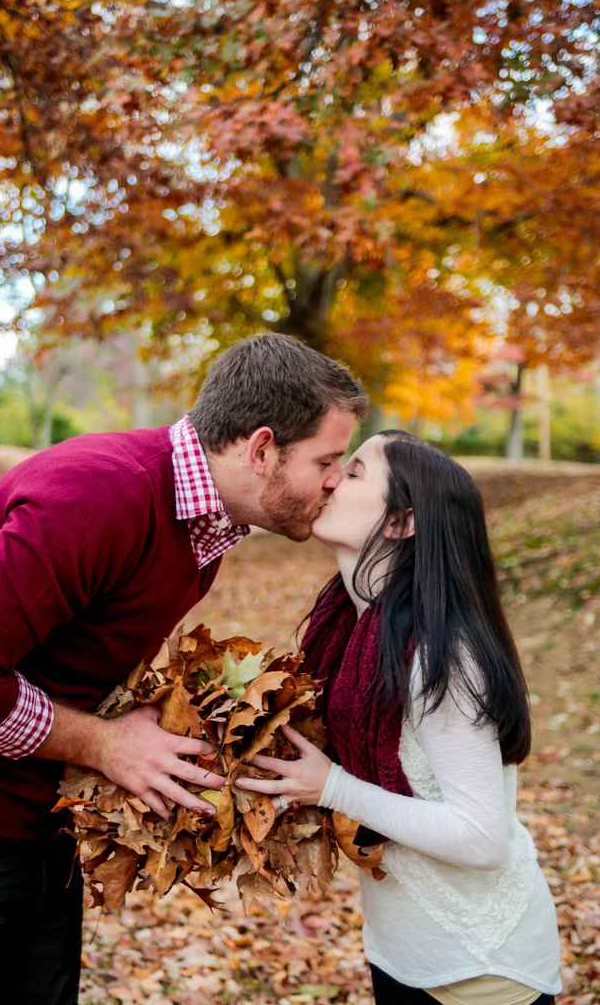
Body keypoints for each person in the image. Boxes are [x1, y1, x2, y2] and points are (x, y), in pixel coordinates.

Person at [0, 333, 367, 1005]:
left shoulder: (202, 528)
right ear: (261, 449)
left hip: (37, 824)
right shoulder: (99, 496)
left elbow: (72, 661)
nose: (336, 478)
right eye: (328, 458)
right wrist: (107, 743)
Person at [236, 430, 562, 1004]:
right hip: (402, 951)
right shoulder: (349, 631)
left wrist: (333, 788)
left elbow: (483, 838)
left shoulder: (442, 657)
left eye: (355, 472)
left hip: (480, 967)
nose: (332, 477)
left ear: (401, 522)